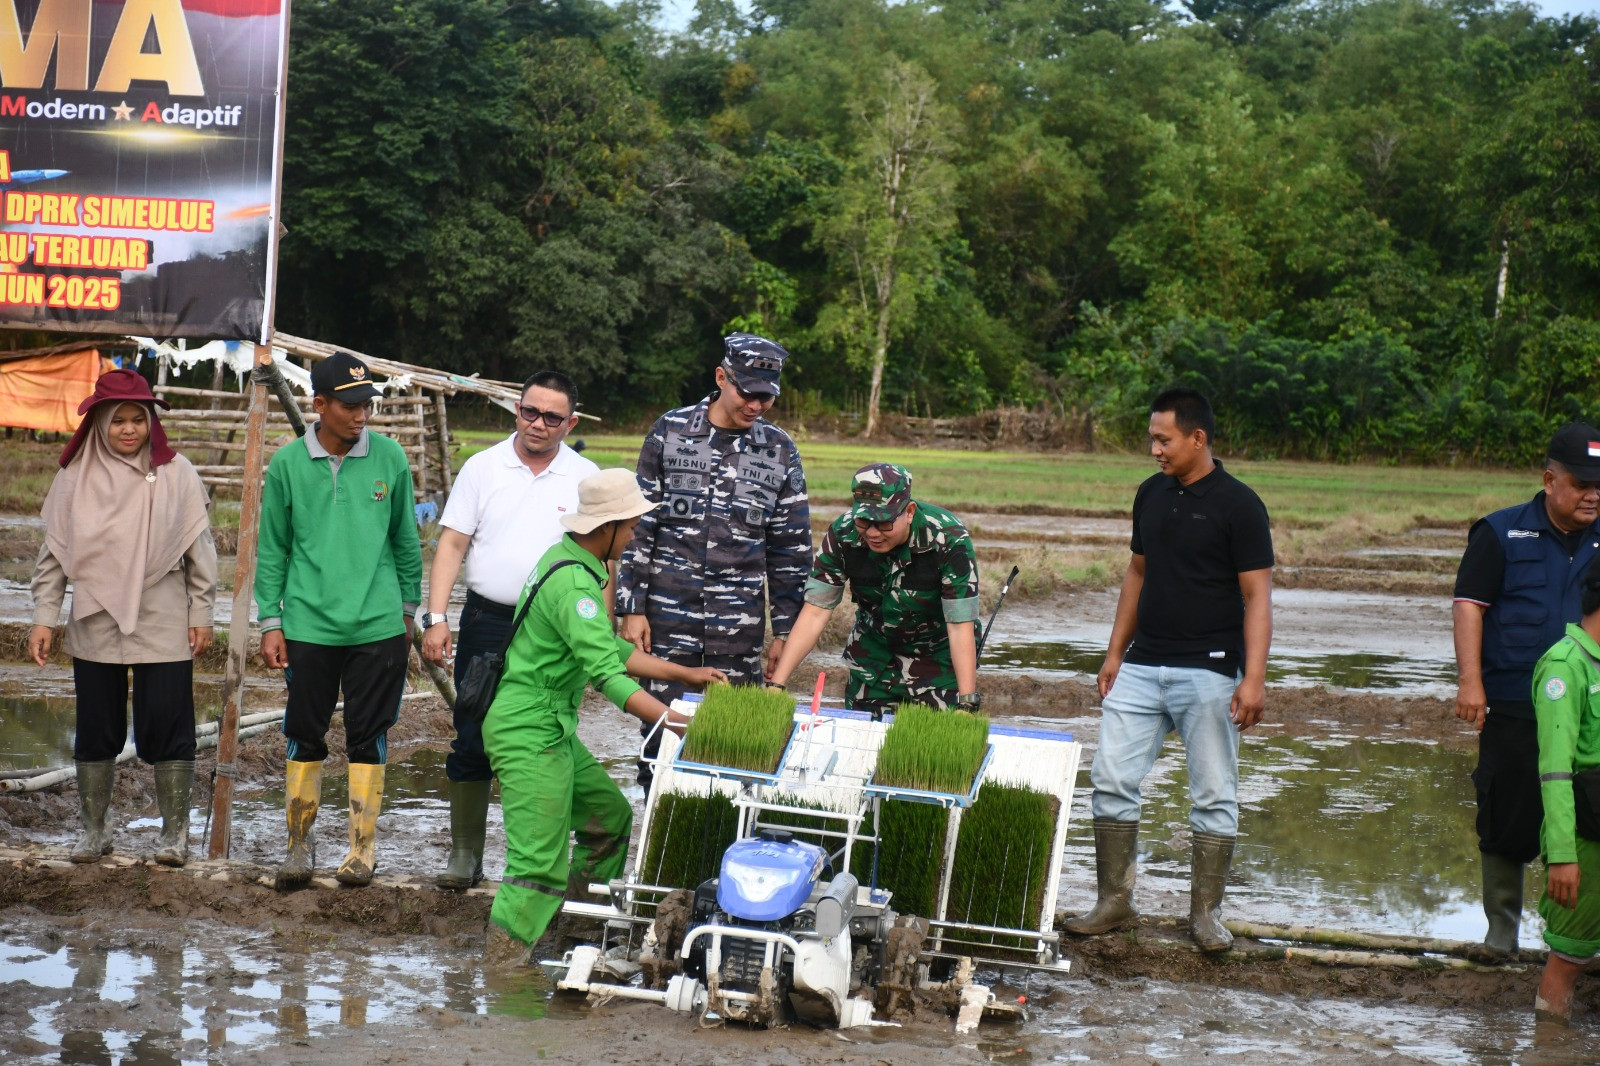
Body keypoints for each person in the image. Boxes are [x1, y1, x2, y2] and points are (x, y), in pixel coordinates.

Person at [484, 469, 726, 962]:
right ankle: (504, 966)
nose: (636, 535)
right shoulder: (575, 583)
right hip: (528, 728)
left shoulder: (573, 560)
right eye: (632, 525)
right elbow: (607, 675)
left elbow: (609, 647)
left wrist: (682, 672)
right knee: (536, 863)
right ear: (608, 525)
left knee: (608, 820)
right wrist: (678, 723)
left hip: (549, 724)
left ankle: (572, 929)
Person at [1065, 387, 1273, 952]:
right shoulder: (1150, 495)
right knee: (1110, 779)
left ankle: (1205, 916)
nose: (1155, 449)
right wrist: (1114, 653)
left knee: (1212, 793)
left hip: (1208, 669)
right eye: (1152, 439)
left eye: (1164, 439)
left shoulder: (1240, 505)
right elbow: (1137, 574)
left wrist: (1252, 677)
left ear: (1197, 438)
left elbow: (1257, 597)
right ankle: (1115, 902)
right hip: (1142, 664)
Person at [28, 369, 216, 867]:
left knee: (170, 726)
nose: (129, 430)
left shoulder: (178, 474)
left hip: (162, 617)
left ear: (152, 423)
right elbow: (53, 558)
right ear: (98, 424)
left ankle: (174, 836)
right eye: (118, 421)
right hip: (94, 619)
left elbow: (201, 552)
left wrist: (202, 612)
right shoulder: (73, 479)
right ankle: (95, 832)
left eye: (139, 420)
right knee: (96, 729)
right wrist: (45, 618)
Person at [420, 370, 597, 890]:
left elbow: (599, 559)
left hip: (554, 633)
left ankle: (539, 863)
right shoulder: (483, 467)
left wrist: (600, 630)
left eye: (552, 417)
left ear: (572, 422)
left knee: (545, 738)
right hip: (487, 621)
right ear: (517, 410)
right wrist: (436, 617)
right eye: (529, 412)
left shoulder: (584, 477)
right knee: (472, 734)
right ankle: (464, 856)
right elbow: (451, 544)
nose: (538, 424)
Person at [255, 351, 424, 890]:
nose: (361, 415)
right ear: (319, 404)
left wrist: (407, 610)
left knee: (367, 734)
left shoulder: (390, 459)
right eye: (349, 405)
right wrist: (270, 621)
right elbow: (273, 550)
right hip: (308, 624)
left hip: (377, 625)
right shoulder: (286, 465)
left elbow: (405, 540)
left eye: (366, 404)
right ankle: (298, 844)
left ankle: (361, 848)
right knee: (304, 732)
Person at [615, 333, 811, 783]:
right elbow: (639, 526)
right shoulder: (671, 430)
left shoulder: (779, 450)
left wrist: (784, 630)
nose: (757, 405)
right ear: (722, 377)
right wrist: (631, 606)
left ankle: (715, 842)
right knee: (661, 736)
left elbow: (791, 549)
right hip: (665, 622)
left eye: (767, 397)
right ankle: (658, 835)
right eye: (748, 393)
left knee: (730, 747)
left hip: (738, 630)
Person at [1453, 423, 1600, 959]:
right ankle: (1501, 933)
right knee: (1506, 814)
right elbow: (1470, 604)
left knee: (1590, 817)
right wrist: (1471, 681)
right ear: (1548, 479)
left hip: (1591, 710)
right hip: (1514, 702)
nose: (1593, 494)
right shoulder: (1500, 532)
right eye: (1582, 483)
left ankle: (1577, 938)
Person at [766, 462, 981, 717]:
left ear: (909, 511)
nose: (872, 533)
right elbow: (815, 612)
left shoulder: (948, 538)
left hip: (936, 661)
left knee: (933, 746)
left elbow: (959, 625)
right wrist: (776, 685)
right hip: (873, 658)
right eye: (864, 522)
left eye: (883, 523)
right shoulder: (843, 534)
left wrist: (967, 702)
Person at [1530, 559, 1600, 1027]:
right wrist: (1562, 855)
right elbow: (1555, 771)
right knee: (1570, 957)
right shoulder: (1565, 666)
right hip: (1585, 838)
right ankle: (1549, 1047)